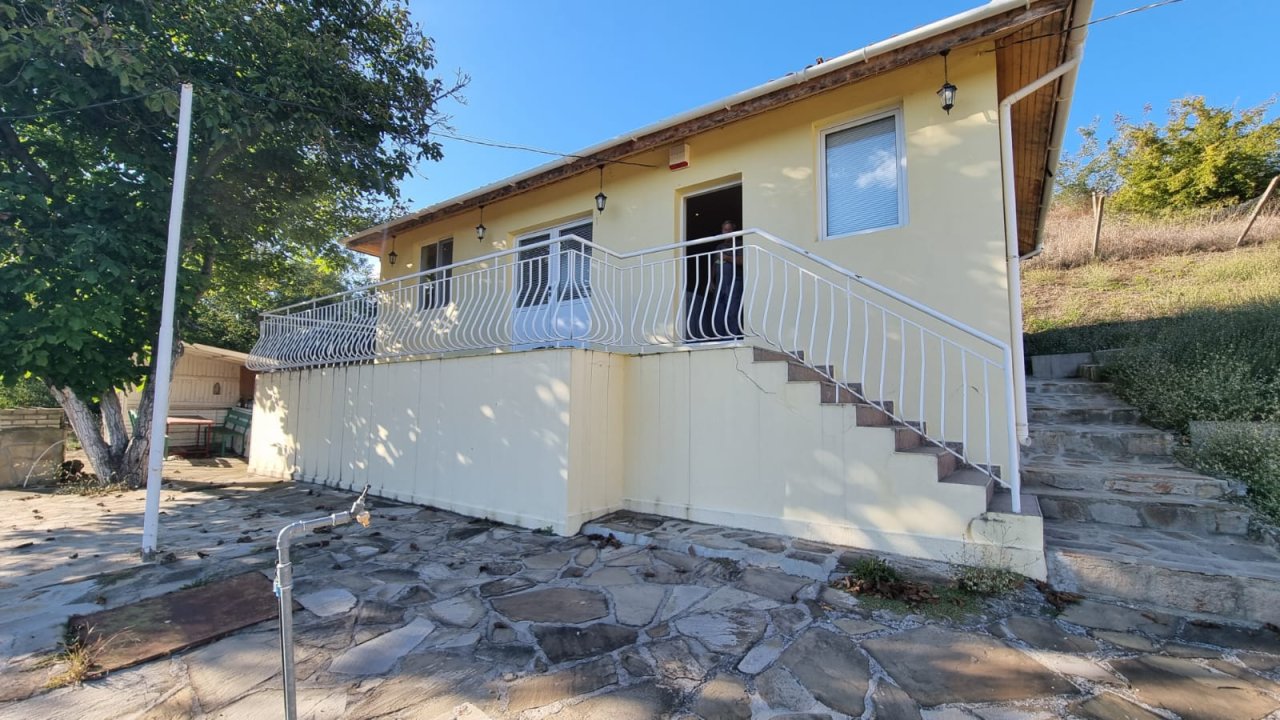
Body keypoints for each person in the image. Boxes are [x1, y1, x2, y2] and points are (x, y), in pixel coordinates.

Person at [712, 220, 744, 338]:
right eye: (725, 230)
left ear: (734, 230)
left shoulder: (740, 244)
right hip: (719, 282)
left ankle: (733, 337)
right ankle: (720, 338)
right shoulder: (719, 247)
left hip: (734, 281)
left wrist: (726, 258)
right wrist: (711, 281)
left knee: (732, 310)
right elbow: (714, 264)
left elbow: (742, 260)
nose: (727, 232)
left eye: (729, 230)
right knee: (718, 310)